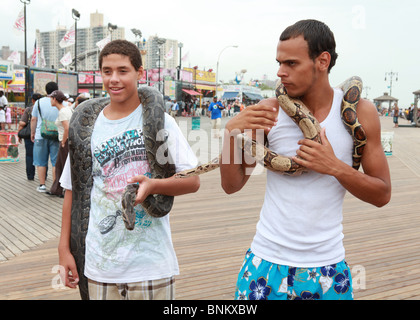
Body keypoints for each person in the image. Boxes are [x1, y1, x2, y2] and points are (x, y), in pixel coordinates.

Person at [220, 19, 391, 300]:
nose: (280, 72)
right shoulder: (268, 112)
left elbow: (382, 194)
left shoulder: (362, 112)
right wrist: (230, 134)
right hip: (266, 262)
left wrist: (335, 167)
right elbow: (232, 184)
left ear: (322, 61)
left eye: (291, 63)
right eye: (279, 63)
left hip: (328, 267)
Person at [58, 40, 200, 300]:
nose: (114, 79)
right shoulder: (86, 126)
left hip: (150, 264)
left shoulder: (161, 120)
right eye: (107, 71)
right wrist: (63, 249)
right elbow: (72, 191)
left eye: (123, 71)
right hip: (100, 264)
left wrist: (154, 186)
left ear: (139, 73)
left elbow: (192, 181)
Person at [30, 81, 60, 193]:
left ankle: (42, 185)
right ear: (56, 90)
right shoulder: (60, 102)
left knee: (40, 162)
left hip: (40, 135)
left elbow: (34, 119)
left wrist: (32, 133)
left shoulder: (38, 102)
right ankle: (55, 185)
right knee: (55, 162)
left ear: (46, 91)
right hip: (56, 135)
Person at [47, 90, 72, 197]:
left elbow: (67, 128)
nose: (50, 100)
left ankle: (60, 190)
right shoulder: (67, 109)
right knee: (59, 165)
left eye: (51, 98)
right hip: (66, 141)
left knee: (62, 166)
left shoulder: (62, 112)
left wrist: (63, 142)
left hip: (65, 142)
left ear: (55, 99)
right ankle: (56, 189)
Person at [18, 93, 42, 180]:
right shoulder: (43, 109)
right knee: (43, 156)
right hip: (41, 135)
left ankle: (30, 176)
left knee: (29, 155)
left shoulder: (29, 109)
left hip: (29, 136)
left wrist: (19, 133)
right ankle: (44, 176)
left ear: (32, 100)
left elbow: (23, 123)